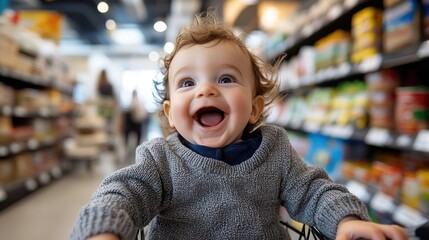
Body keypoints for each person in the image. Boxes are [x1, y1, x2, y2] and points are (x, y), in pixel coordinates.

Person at [70, 12, 407, 240]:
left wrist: (346, 221)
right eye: (187, 83)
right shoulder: (160, 160)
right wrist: (104, 229)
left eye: (226, 78)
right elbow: (124, 192)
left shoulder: (275, 149)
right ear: (171, 114)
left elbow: (314, 191)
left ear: (254, 108)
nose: (206, 89)